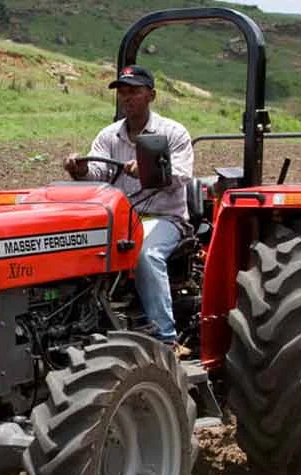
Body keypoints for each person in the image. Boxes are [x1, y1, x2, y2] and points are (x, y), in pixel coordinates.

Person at [61, 64, 195, 351]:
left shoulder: (173, 133)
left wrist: (148, 170)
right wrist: (80, 169)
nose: (127, 97)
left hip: (165, 217)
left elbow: (182, 174)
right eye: (122, 91)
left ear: (151, 95)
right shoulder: (109, 136)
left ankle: (166, 339)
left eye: (134, 91)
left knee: (145, 253)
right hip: (120, 219)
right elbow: (97, 173)